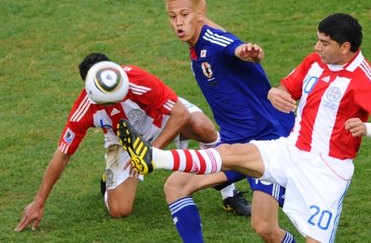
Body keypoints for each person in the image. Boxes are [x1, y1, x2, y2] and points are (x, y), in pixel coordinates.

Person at [117, 13, 371, 243]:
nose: (317, 48)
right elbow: (286, 89)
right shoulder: (315, 62)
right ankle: (155, 158)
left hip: (326, 171)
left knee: (274, 230)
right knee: (230, 153)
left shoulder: (366, 80)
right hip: (290, 150)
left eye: (324, 43)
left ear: (345, 47)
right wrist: (275, 93)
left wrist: (368, 128)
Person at [15, 52, 220, 232]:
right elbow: (62, 154)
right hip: (122, 142)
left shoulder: (135, 78)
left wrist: (150, 153)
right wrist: (39, 201)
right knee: (120, 210)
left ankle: (229, 194)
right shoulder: (84, 109)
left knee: (204, 128)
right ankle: (109, 182)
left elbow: (180, 114)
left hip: (160, 120)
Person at [158, 0, 295, 242]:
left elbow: (236, 48)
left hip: (269, 144)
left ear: (200, 14)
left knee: (265, 228)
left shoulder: (218, 42)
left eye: (184, 14)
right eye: (172, 16)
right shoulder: (196, 43)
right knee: (176, 185)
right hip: (232, 146)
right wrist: (195, 9)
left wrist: (248, 52)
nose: (178, 22)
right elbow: (207, 23)